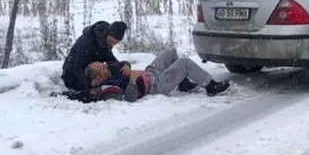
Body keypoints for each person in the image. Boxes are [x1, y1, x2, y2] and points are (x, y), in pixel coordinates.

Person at [84, 47, 230, 102]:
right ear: (98, 78)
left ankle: (183, 83)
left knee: (170, 52)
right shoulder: (108, 90)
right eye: (103, 68)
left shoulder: (109, 71)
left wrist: (127, 67)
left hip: (149, 73)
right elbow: (128, 99)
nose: (106, 66)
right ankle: (210, 86)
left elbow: (121, 64)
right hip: (155, 86)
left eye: (103, 64)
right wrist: (132, 81)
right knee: (184, 63)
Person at [61, 20, 129, 93]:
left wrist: (125, 65)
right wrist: (89, 84)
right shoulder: (85, 42)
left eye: (115, 43)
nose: (112, 45)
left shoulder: (105, 43)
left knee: (115, 73)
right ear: (106, 34)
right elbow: (76, 68)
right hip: (73, 77)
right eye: (111, 41)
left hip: (94, 75)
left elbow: (111, 60)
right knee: (94, 90)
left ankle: (131, 84)